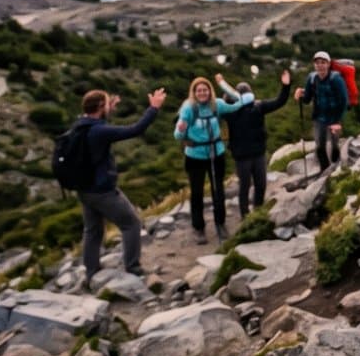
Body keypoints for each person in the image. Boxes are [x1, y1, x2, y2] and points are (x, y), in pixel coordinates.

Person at [72, 87, 166, 288]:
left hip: (84, 190)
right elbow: (135, 129)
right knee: (131, 223)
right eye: (106, 104)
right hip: (102, 191)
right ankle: (132, 267)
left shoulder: (81, 125)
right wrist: (153, 108)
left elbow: (97, 127)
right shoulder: (99, 131)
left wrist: (109, 109)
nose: (109, 106)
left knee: (92, 231)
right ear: (99, 107)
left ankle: (91, 273)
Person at [216, 69, 293, 217]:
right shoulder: (233, 111)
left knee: (258, 185)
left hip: (255, 154)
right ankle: (247, 216)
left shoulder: (257, 107)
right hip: (244, 156)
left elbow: (279, 101)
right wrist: (285, 87)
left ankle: (256, 214)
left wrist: (286, 86)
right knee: (248, 186)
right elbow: (280, 101)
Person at [174, 76, 240, 243]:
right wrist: (181, 130)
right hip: (195, 156)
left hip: (216, 153)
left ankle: (221, 223)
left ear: (209, 91)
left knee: (218, 190)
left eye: (205, 90)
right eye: (199, 90)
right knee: (197, 193)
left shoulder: (217, 104)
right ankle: (199, 228)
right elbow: (177, 135)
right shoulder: (188, 109)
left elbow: (237, 102)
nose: (202, 93)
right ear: (194, 93)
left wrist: (223, 84)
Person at [293, 51, 348, 171]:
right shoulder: (312, 78)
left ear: (328, 64)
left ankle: (337, 169)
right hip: (319, 118)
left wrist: (337, 121)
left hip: (334, 117)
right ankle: (325, 171)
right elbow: (307, 99)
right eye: (317, 63)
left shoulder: (336, 79)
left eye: (323, 62)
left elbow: (344, 100)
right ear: (314, 65)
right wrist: (301, 94)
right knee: (319, 147)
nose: (320, 65)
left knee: (334, 146)